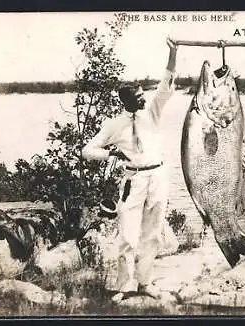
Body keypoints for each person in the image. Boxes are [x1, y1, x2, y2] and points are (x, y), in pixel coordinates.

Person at [82, 37, 178, 301]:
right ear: (126, 101)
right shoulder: (114, 125)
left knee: (153, 234)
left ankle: (145, 282)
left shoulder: (153, 112)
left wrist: (173, 52)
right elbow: (87, 150)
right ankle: (125, 286)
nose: (143, 99)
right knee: (128, 236)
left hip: (158, 176)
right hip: (132, 181)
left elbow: (166, 84)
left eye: (142, 95)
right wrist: (109, 153)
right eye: (137, 97)